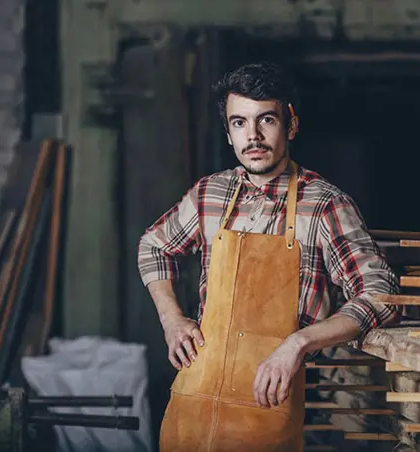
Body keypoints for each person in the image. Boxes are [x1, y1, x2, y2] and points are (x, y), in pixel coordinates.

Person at [137, 62, 400, 450]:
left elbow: (380, 293)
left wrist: (297, 344)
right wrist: (171, 319)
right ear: (228, 133)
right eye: (240, 123)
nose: (253, 136)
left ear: (290, 124)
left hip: (268, 406)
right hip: (192, 403)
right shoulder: (209, 195)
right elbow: (154, 245)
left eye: (267, 120)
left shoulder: (324, 205)